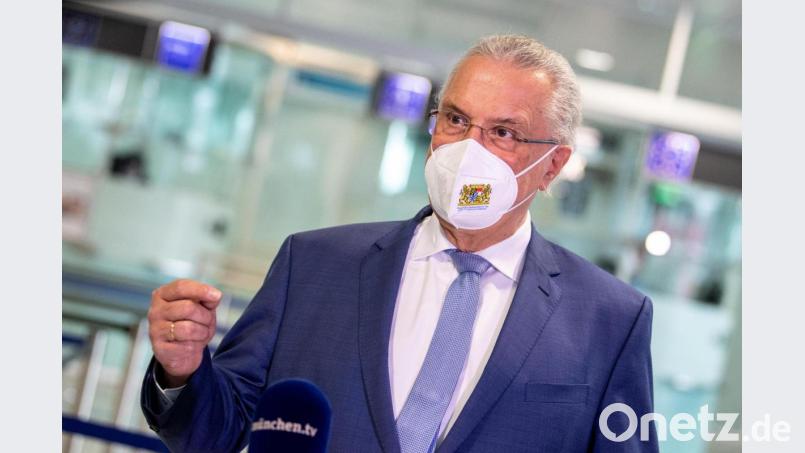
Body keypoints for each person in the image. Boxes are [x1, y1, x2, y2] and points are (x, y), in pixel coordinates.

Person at [141, 34, 658, 452]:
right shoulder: (316, 265)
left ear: (552, 165)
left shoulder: (608, 320)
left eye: (502, 132)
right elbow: (215, 432)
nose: (467, 150)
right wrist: (183, 372)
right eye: (456, 119)